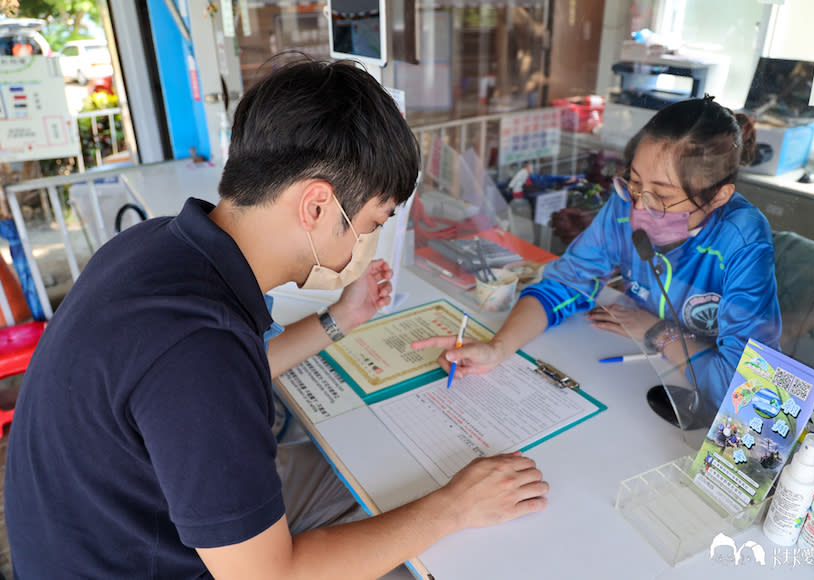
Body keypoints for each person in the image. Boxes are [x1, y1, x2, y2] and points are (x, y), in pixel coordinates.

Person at [5, 56, 548, 579]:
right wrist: (453, 508)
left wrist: (340, 319)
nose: (373, 238)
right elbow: (266, 576)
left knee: (390, 486)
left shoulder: (154, 246)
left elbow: (214, 382)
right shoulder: (198, 347)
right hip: (156, 563)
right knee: (440, 540)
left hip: (110, 530)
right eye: (376, 219)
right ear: (316, 207)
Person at [414, 96, 781, 413]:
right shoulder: (624, 206)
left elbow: (742, 386)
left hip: (699, 411)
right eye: (635, 183)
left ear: (718, 196)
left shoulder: (742, 239)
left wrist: (657, 331)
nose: (638, 207)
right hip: (636, 376)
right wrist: (497, 348)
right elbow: (564, 284)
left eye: (663, 197)